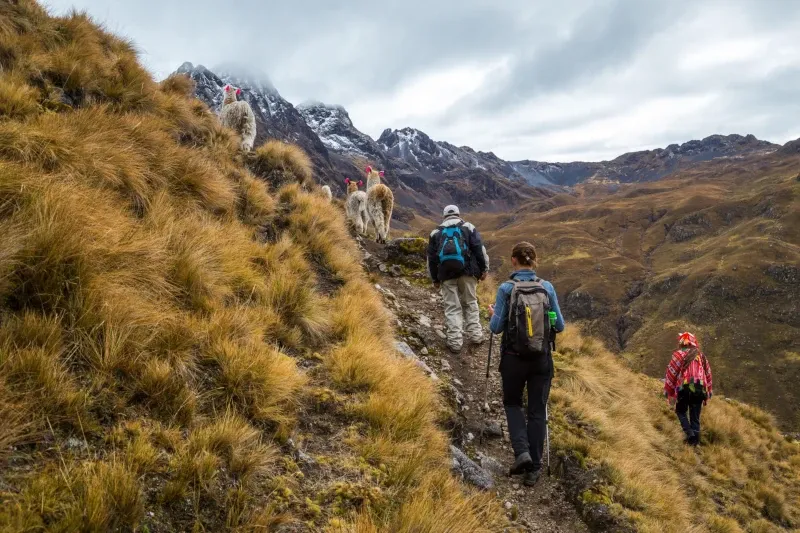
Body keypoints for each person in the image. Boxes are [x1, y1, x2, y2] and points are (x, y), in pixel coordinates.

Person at [488, 241, 564, 486]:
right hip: (541, 359)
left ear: (513, 261)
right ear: (535, 261)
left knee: (512, 403)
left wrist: (493, 315)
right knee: (537, 411)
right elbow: (560, 326)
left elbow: (496, 328)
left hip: (513, 359)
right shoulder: (547, 287)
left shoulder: (506, 289)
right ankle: (535, 468)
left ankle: (522, 453)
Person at [427, 205, 490, 354]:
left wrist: (435, 279)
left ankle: (455, 343)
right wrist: (483, 269)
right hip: (468, 273)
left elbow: (431, 259)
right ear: (458, 214)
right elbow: (479, 250)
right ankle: (476, 335)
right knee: (470, 303)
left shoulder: (435, 232)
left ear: (444, 216)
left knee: (452, 307)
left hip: (446, 275)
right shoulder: (468, 227)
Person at [664, 332, 713, 446]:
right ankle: (695, 442)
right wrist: (709, 390)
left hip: (684, 388)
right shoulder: (701, 356)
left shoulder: (678, 355)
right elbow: (708, 374)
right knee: (695, 416)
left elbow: (671, 373)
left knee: (680, 411)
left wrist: (669, 391)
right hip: (700, 389)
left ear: (682, 343)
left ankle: (689, 434)